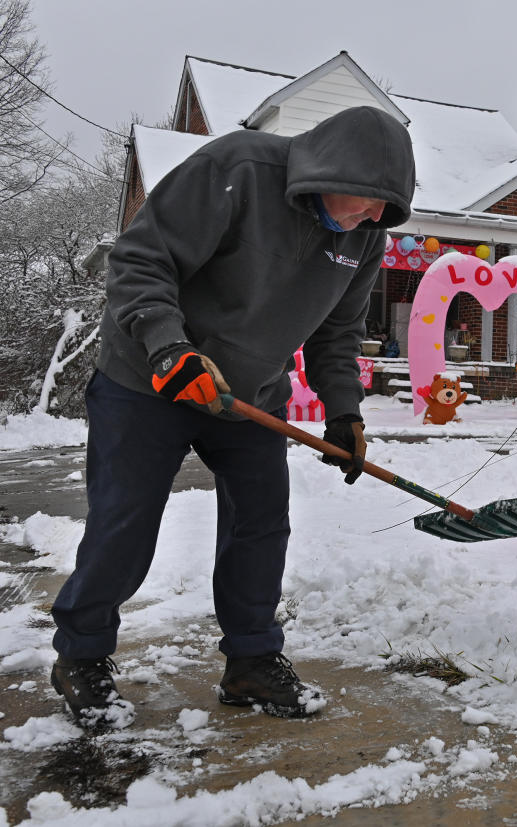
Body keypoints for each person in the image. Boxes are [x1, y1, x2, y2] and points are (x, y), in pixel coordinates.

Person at [49, 107, 416, 728]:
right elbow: (141, 261)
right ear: (330, 170)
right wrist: (169, 347)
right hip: (148, 378)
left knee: (261, 525)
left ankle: (251, 663)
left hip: (248, 394)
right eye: (372, 199)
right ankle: (81, 656)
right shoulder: (236, 170)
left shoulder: (364, 237)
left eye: (390, 205)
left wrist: (345, 412)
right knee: (126, 523)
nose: (377, 216)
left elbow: (337, 335)